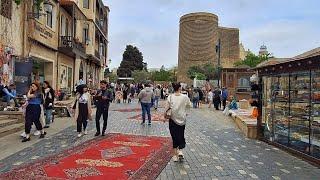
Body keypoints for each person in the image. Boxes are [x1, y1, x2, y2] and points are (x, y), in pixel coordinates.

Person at [164, 82, 191, 162]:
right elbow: (189, 105)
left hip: (172, 119)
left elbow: (166, 108)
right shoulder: (185, 97)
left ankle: (175, 155)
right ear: (180, 88)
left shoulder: (170, 97)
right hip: (182, 119)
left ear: (173, 88)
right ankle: (180, 151)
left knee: (174, 136)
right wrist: (185, 112)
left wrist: (164, 116)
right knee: (181, 134)